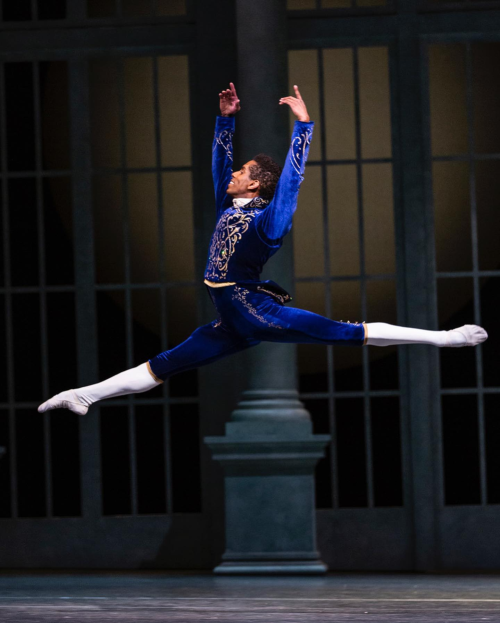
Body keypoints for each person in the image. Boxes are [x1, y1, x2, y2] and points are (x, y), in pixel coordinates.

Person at [38, 83, 488, 416]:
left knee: (343, 332)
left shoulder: (266, 220)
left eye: (242, 171)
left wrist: (303, 128)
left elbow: (290, 185)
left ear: (255, 183)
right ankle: (84, 395)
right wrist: (225, 119)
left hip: (253, 309)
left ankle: (444, 339)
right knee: (163, 366)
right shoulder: (228, 204)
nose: (233, 173)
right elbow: (219, 165)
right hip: (232, 320)